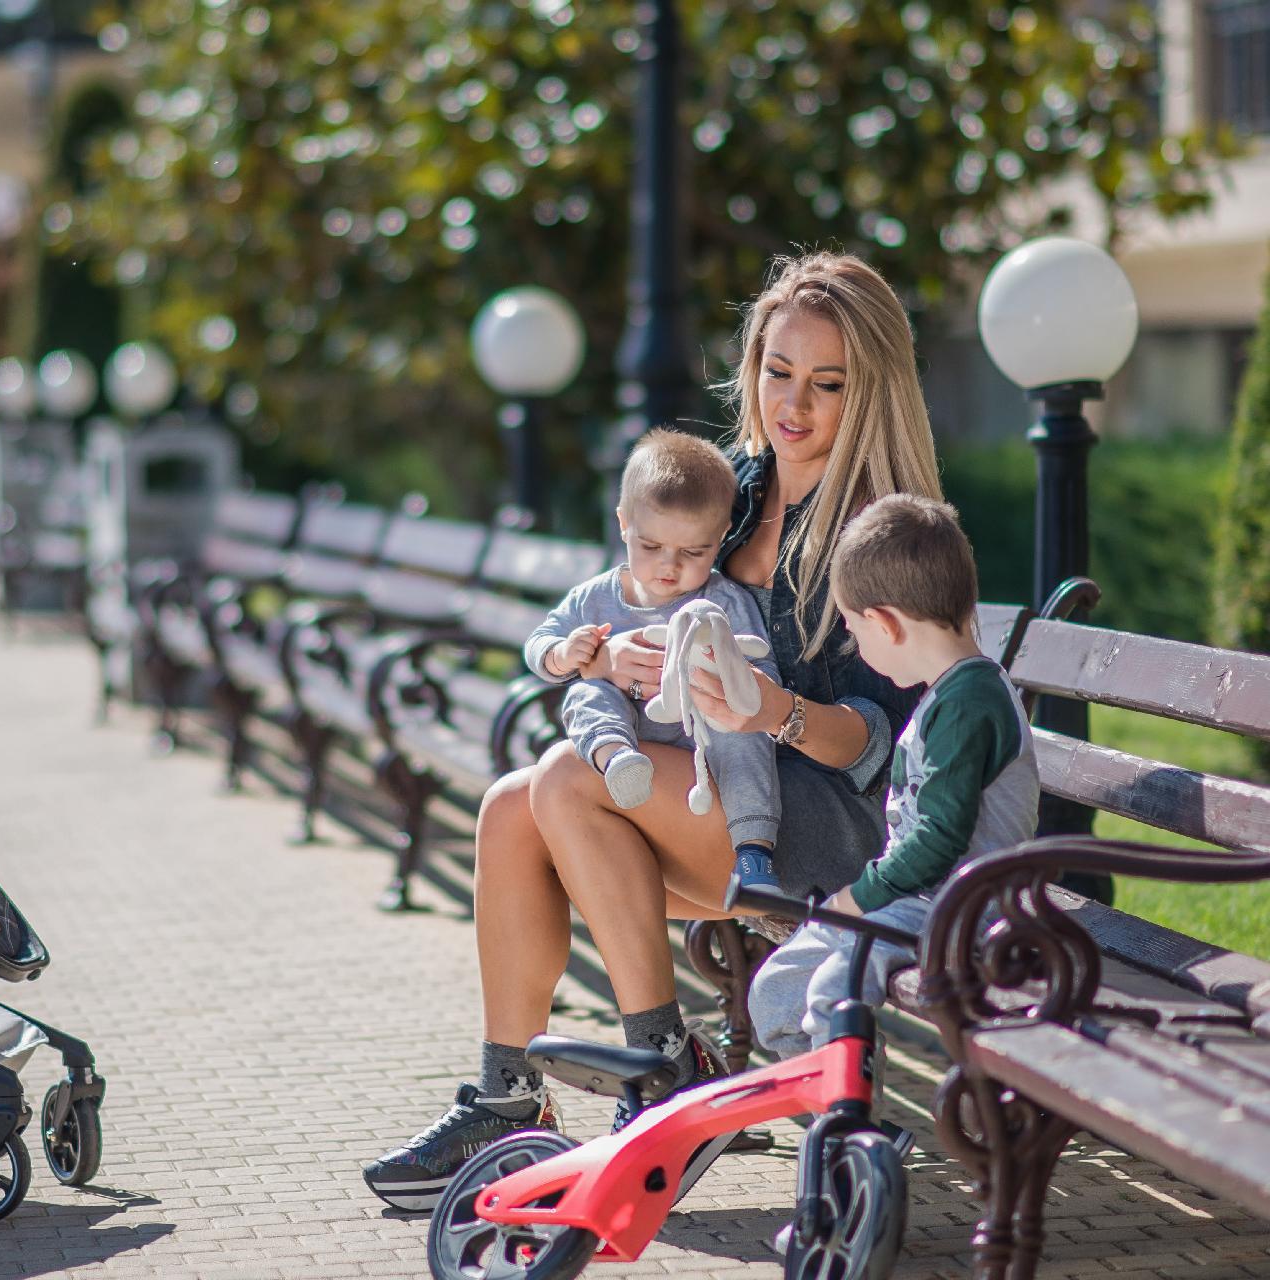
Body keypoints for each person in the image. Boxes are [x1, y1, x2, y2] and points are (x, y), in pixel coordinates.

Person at [362, 251, 943, 1213]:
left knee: (559, 776)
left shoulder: (880, 532)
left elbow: (881, 747)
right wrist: (606, 658)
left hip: (823, 831)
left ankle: (662, 1066)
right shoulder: (735, 490)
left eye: (828, 383)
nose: (794, 403)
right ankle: (510, 1098)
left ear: (870, 391)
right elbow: (627, 597)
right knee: (515, 806)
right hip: (707, 797)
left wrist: (771, 710)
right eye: (778, 371)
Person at [747, 494, 1038, 1057]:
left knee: (835, 986)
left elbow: (938, 839)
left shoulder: (969, 702)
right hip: (916, 901)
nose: (857, 644)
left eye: (855, 630)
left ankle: (850, 1120)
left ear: (885, 623)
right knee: (778, 986)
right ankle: (820, 1109)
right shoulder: (950, 694)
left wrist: (859, 896)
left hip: (961, 909)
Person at [526, 428, 783, 903]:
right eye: (650, 547)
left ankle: (753, 850)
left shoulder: (722, 599)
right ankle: (616, 761)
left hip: (700, 744)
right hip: (635, 738)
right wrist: (566, 655)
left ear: (722, 535)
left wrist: (725, 674)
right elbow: (540, 643)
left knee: (741, 734)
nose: (669, 566)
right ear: (624, 523)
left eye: (693, 553)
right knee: (586, 694)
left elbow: (760, 665)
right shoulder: (597, 597)